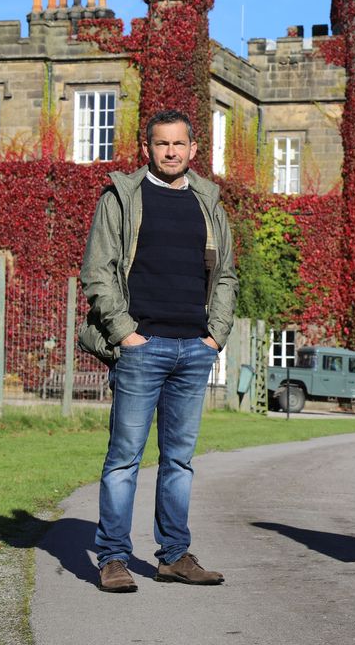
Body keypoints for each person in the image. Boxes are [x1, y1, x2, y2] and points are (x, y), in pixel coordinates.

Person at [78, 110, 238, 593]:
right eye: (161, 144)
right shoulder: (121, 197)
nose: (171, 151)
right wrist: (126, 333)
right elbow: (98, 272)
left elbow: (226, 274)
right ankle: (112, 557)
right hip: (141, 348)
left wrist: (215, 337)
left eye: (179, 144)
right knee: (124, 458)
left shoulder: (208, 201)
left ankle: (173, 555)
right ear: (147, 148)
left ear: (193, 150)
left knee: (180, 461)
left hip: (194, 349)